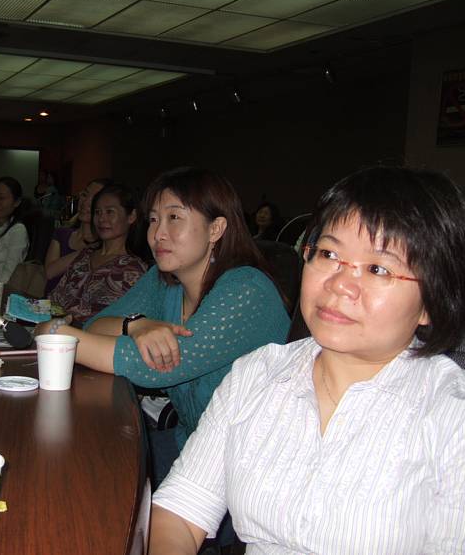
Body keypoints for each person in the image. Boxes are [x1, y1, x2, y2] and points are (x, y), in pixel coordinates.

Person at [149, 166, 465, 554]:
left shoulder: (462, 418)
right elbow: (180, 511)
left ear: (431, 301)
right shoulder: (256, 374)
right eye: (328, 254)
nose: (339, 283)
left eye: (377, 268)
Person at [36, 166, 289, 482]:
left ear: (216, 229)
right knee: (77, 460)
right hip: (192, 446)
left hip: (251, 468)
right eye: (154, 219)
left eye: (174, 217)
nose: (158, 234)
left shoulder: (247, 290)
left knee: (95, 477)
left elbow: (154, 365)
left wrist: (54, 333)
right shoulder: (164, 281)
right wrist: (136, 325)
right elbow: (96, 325)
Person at [48, 183, 148, 325]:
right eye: (97, 212)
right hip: (54, 330)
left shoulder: (134, 269)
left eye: (110, 212)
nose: (101, 219)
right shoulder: (85, 256)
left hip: (90, 336)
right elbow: (54, 299)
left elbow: (128, 322)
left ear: (131, 216)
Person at [44, 178, 109, 294]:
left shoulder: (106, 246)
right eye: (84, 195)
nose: (86, 202)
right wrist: (88, 250)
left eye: (95, 199)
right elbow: (50, 272)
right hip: (48, 301)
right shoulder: (62, 234)